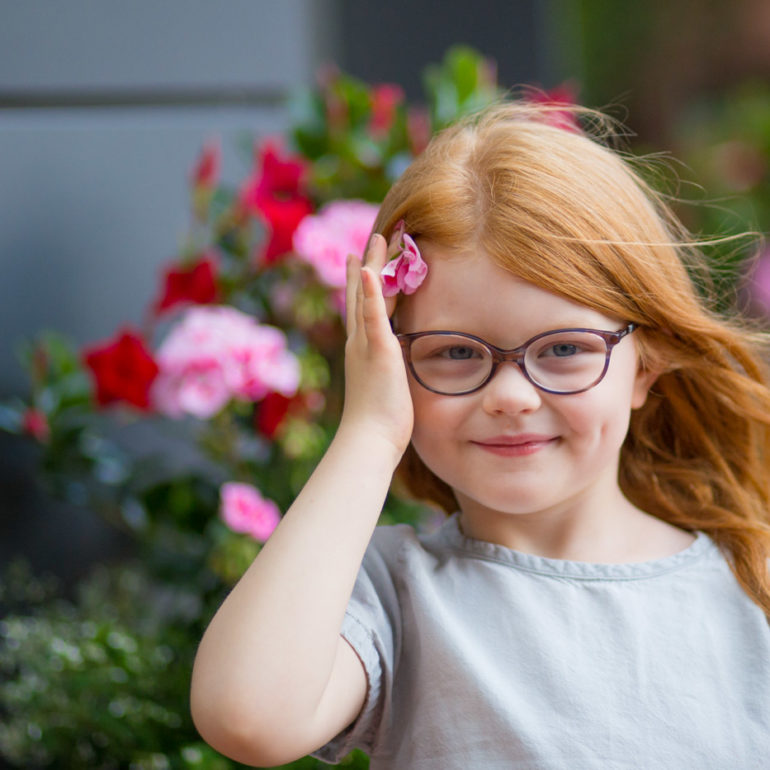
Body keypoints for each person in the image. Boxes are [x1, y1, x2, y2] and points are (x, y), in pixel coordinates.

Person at [190, 102, 770, 768]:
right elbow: (247, 717)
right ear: (393, 364)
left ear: (647, 366)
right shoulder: (392, 595)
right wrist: (370, 431)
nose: (512, 397)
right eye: (456, 353)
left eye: (565, 349)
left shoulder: (752, 593)